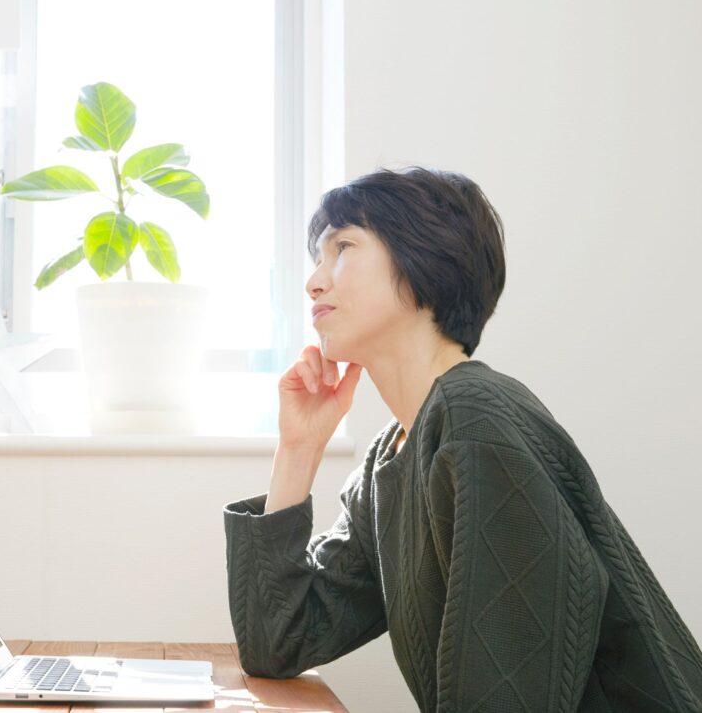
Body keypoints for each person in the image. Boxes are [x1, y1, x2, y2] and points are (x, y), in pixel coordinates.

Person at [223, 166, 702, 711]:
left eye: (343, 248)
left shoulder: (474, 419)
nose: (314, 281)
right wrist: (298, 450)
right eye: (318, 258)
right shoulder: (395, 455)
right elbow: (279, 644)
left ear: (423, 262)